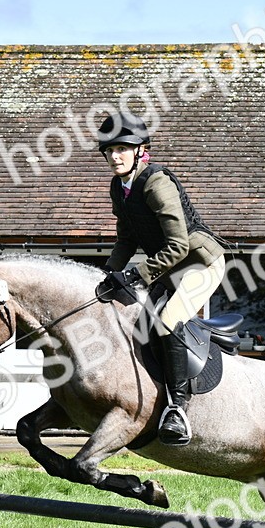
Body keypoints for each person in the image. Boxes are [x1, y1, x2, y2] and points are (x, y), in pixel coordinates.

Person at [94, 112, 226, 446]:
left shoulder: (155, 183)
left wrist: (137, 274)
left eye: (122, 149)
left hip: (200, 262)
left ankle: (178, 410)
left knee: (166, 322)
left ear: (141, 151)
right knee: (140, 325)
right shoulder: (118, 187)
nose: (114, 156)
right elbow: (126, 240)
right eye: (109, 151)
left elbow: (179, 245)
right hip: (169, 265)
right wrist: (108, 274)